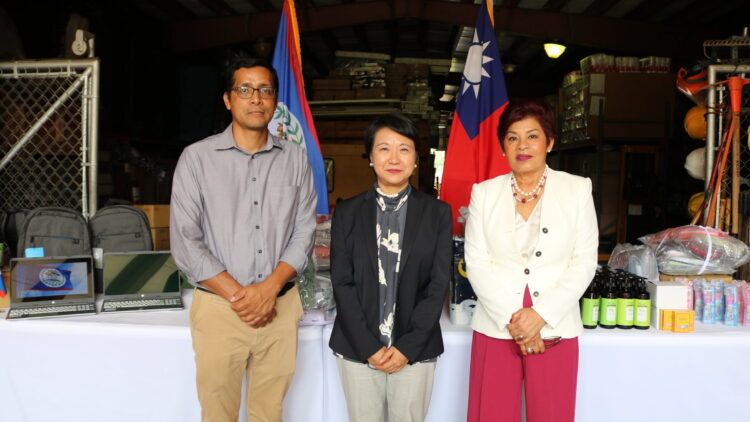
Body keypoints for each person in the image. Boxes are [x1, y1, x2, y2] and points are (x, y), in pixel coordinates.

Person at [170, 56, 316, 422]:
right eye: (245, 89)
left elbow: (304, 231)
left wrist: (268, 290)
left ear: (275, 101)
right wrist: (242, 296)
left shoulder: (296, 159)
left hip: (280, 309)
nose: (256, 99)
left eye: (265, 91)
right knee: (218, 412)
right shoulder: (196, 159)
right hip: (220, 309)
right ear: (227, 99)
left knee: (269, 412)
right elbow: (186, 240)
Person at [464, 99, 598, 422]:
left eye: (532, 136)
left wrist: (540, 316)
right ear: (502, 147)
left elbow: (583, 261)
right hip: (497, 324)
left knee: (552, 415)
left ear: (549, 142)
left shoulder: (577, 190)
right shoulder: (484, 193)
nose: (522, 145)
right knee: (491, 414)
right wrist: (518, 324)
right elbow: (477, 262)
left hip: (555, 325)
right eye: (512, 137)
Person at [329, 113, 452, 422]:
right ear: (370, 157)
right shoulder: (347, 212)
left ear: (416, 159)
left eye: (404, 148)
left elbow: (438, 285)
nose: (394, 158)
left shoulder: (437, 213)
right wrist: (368, 346)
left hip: (415, 349)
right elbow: (342, 282)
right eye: (384, 148)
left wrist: (407, 347)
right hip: (358, 347)